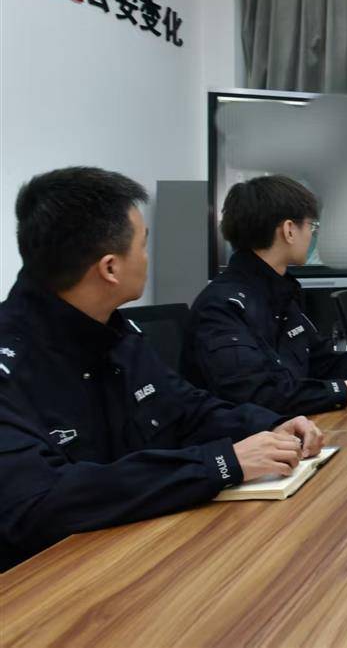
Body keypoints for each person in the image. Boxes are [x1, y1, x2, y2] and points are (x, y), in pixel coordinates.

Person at [0, 167, 323, 571]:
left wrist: (271, 425)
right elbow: (41, 502)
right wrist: (219, 463)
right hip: (50, 582)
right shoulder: (12, 366)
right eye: (143, 245)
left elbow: (186, 409)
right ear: (110, 268)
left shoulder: (115, 334)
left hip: (141, 551)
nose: (147, 258)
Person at [183, 175, 347, 416]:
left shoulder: (279, 291)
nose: (312, 236)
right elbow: (259, 396)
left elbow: (321, 361)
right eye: (312, 227)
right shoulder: (223, 306)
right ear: (289, 231)